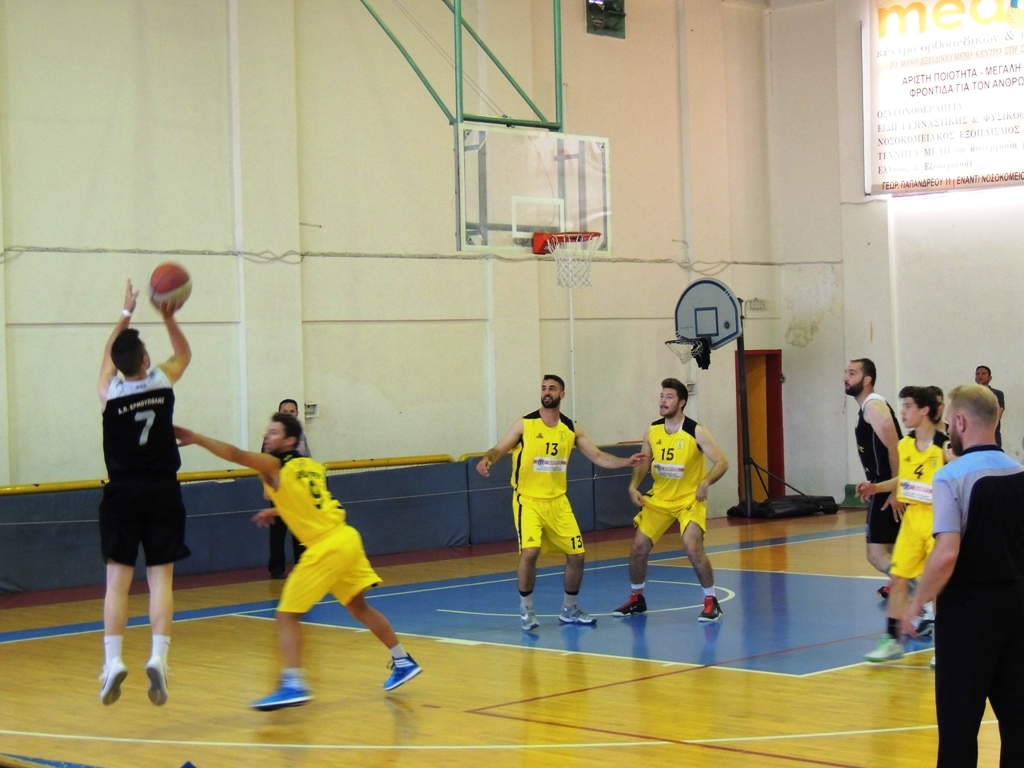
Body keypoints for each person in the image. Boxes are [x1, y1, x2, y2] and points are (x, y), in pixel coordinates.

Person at [174, 413, 421, 709]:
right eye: (267, 431)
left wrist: (197, 438)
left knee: (286, 615)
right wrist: (278, 511)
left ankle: (294, 684)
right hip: (347, 538)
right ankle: (402, 659)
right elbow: (312, 503)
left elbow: (236, 454)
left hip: (326, 546)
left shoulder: (275, 465)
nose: (267, 436)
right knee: (359, 607)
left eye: (274, 432)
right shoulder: (311, 466)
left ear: (290, 440)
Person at [902, 385, 1024, 767]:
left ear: (959, 422)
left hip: (968, 615)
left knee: (959, 728)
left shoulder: (951, 476)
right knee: (1018, 725)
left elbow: (947, 552)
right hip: (1018, 609)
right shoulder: (1019, 471)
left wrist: (916, 602)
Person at [476, 375, 647, 630]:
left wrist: (626, 462)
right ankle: (526, 609)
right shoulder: (525, 424)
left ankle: (569, 609)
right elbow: (499, 449)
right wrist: (487, 459)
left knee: (577, 555)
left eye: (552, 388)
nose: (547, 392)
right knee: (530, 552)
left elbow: (599, 457)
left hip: (558, 502)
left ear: (562, 394)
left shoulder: (571, 429)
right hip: (528, 501)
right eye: (544, 388)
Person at [96, 280, 191, 706]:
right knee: (160, 580)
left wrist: (126, 312)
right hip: (162, 490)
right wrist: (168, 317)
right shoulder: (161, 381)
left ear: (119, 365)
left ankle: (113, 660)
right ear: (146, 360)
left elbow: (108, 357)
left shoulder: (110, 392)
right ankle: (159, 658)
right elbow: (184, 354)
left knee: (117, 583)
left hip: (122, 493)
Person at [611, 378, 729, 621]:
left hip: (689, 500)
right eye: (661, 396)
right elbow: (643, 462)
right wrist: (633, 486)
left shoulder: (695, 431)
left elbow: (722, 462)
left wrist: (706, 482)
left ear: (681, 402)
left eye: (669, 397)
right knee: (638, 548)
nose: (663, 401)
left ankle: (711, 601)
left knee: (692, 547)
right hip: (660, 499)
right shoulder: (652, 430)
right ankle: (637, 599)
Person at [861, 386, 946, 662]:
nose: (903, 411)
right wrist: (876, 487)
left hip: (938, 520)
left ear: (925, 410)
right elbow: (903, 480)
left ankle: (944, 645)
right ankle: (892, 641)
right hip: (912, 520)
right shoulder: (905, 445)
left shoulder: (944, 447)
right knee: (898, 578)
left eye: (908, 406)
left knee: (939, 586)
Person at [847, 358, 904, 597]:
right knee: (895, 548)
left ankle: (922, 591)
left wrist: (895, 490)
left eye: (852, 373)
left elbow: (895, 447)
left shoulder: (873, 406)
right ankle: (906, 588)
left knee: (876, 555)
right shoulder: (867, 407)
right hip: (882, 485)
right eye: (846, 373)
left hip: (889, 487)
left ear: (867, 379)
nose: (846, 378)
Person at [267, 398, 309, 579]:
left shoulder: (301, 437)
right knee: (278, 531)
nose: (289, 414)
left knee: (300, 529)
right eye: (285, 411)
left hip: (298, 491)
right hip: (279, 490)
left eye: (292, 411)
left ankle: (302, 564)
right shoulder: (272, 437)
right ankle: (277, 567)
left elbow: (307, 460)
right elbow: (264, 463)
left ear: (297, 413)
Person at [974, 365, 1005, 448]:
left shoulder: (997, 394)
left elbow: (998, 414)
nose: (980, 376)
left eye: (983, 373)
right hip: (974, 435)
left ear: (990, 378)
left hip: (993, 435)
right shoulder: (970, 395)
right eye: (978, 374)